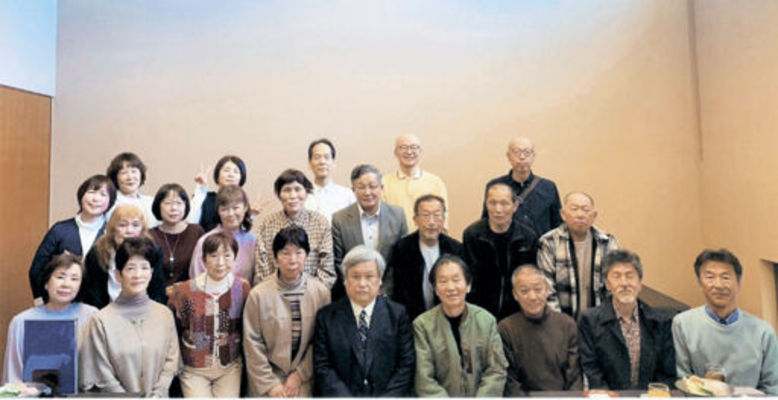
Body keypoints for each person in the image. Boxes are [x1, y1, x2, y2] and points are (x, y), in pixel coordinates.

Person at [79, 237, 180, 396]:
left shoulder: (164, 314)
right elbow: (101, 373)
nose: (138, 275)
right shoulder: (100, 321)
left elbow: (171, 362)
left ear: (152, 272)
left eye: (144, 267)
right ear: (118, 275)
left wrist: (159, 393)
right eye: (131, 268)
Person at [672, 249, 778, 395]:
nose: (718, 285)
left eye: (726, 277)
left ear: (738, 283)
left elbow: (773, 388)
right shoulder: (682, 324)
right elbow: (682, 380)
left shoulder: (763, 332)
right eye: (710, 277)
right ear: (700, 284)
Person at [313, 245, 415, 397]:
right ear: (345, 280)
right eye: (355, 277)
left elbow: (406, 365)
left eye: (369, 276)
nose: (362, 284)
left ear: (380, 280)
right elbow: (323, 368)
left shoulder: (398, 315)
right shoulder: (326, 317)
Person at [244, 226, 331, 397]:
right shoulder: (258, 295)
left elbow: (321, 342)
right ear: (276, 257)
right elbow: (252, 343)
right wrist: (270, 385)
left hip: (305, 375)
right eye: (285, 253)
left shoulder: (321, 292)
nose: (293, 260)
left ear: (307, 255)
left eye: (299, 253)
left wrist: (299, 375)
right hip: (266, 377)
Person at [168, 232, 250, 397]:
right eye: (214, 256)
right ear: (203, 259)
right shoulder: (185, 291)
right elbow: (179, 325)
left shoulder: (242, 288)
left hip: (229, 365)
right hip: (194, 366)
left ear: (235, 259)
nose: (220, 263)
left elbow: (245, 326)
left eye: (227, 256)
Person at [578, 250, 675, 390]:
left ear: (640, 283)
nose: (624, 283)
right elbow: (592, 370)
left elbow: (666, 372)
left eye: (630, 276)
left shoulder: (660, 322)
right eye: (616, 276)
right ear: (607, 284)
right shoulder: (590, 321)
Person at [413, 255, 507, 397]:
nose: (451, 287)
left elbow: (496, 370)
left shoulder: (486, 321)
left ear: (468, 285)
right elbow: (424, 379)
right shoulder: (422, 326)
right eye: (443, 281)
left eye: (456, 280)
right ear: (436, 289)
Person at [4, 253, 98, 383]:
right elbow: (13, 375)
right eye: (60, 277)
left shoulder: (91, 316)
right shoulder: (21, 321)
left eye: (74, 279)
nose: (66, 284)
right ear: (46, 283)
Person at [29, 174, 116, 302]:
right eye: (91, 192)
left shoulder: (113, 233)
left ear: (110, 202)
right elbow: (37, 269)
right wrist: (40, 301)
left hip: (100, 306)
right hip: (60, 303)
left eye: (103, 195)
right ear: (81, 196)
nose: (96, 199)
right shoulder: (59, 230)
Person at [498, 264, 582, 395]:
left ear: (547, 290)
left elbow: (575, 378)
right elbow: (509, 381)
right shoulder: (506, 329)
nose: (532, 297)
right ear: (515, 294)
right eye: (524, 291)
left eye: (538, 289)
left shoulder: (567, 324)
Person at [538, 192, 620, 319]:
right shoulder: (549, 242)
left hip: (600, 321)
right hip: (561, 320)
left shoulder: (607, 242)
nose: (580, 215)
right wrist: (560, 324)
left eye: (586, 210)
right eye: (574, 209)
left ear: (594, 216)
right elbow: (546, 288)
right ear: (563, 214)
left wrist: (606, 320)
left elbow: (616, 285)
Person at [331, 164, 407, 300]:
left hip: (388, 295)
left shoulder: (397, 215)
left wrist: (381, 289)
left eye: (372, 186)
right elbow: (339, 262)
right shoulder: (340, 219)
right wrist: (358, 287)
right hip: (353, 294)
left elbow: (401, 261)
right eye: (361, 187)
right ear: (353, 190)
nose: (367, 192)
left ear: (381, 188)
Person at [463, 181, 537, 320]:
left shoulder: (528, 237)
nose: (498, 209)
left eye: (504, 203)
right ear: (486, 204)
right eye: (492, 203)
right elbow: (468, 278)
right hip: (480, 312)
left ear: (515, 206)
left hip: (517, 313)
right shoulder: (472, 235)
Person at [254, 169, 335, 288]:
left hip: (313, 293)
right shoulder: (267, 224)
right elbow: (262, 267)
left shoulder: (320, 223)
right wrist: (273, 292)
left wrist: (314, 292)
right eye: (287, 190)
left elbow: (327, 267)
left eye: (297, 189)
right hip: (274, 293)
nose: (292, 196)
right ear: (279, 195)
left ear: (306, 192)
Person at [389, 194, 463, 321]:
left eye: (437, 215)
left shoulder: (456, 249)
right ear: (415, 219)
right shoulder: (402, 249)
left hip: (448, 318)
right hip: (412, 319)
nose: (431, 222)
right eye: (426, 216)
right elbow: (398, 292)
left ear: (443, 219)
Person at [82, 203, 167, 308]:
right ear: (113, 229)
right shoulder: (98, 252)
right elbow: (92, 293)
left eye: (135, 225)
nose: (129, 231)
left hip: (145, 309)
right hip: (106, 310)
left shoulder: (153, 250)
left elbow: (158, 289)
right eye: (123, 225)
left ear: (142, 229)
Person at [482, 137, 561, 236]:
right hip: (506, 244)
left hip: (540, 244)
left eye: (527, 152)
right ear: (508, 156)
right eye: (516, 152)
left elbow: (557, 224)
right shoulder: (495, 186)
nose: (522, 157)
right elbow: (486, 221)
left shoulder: (548, 187)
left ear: (533, 156)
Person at [190, 185, 257, 283]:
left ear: (245, 207)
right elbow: (196, 278)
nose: (230, 214)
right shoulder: (206, 240)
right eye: (224, 209)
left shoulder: (253, 241)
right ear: (218, 211)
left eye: (235, 208)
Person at [382, 134, 448, 230]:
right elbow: (382, 220)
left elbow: (443, 220)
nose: (409, 152)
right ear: (395, 152)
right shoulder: (384, 183)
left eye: (414, 147)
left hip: (428, 238)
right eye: (403, 147)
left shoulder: (435, 182)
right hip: (396, 239)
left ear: (420, 151)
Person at [149, 183, 205, 291]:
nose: (174, 208)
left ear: (186, 206)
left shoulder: (196, 232)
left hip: (191, 294)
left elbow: (204, 270)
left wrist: (185, 288)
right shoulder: (150, 236)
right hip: (157, 296)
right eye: (168, 203)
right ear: (158, 206)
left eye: (179, 203)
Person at [188, 155, 248, 232]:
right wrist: (200, 189)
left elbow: (241, 233)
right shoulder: (205, 198)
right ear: (217, 175)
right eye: (226, 170)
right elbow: (190, 224)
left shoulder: (241, 203)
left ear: (241, 178)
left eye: (236, 172)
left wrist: (251, 216)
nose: (231, 175)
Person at [303, 138, 356, 222]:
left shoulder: (347, 195)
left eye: (327, 157)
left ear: (333, 163)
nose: (322, 162)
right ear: (309, 164)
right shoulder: (302, 196)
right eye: (317, 157)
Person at [105, 152, 159, 227]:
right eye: (124, 173)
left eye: (134, 171)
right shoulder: (109, 203)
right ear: (115, 177)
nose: (130, 177)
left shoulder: (151, 202)